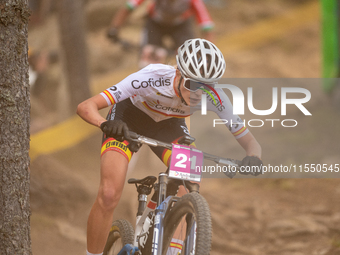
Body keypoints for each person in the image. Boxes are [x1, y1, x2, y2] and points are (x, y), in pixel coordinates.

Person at [77, 38, 262, 255]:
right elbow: (86, 106)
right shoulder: (151, 77)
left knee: (191, 174)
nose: (198, 93)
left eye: (205, 86)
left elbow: (250, 142)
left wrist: (254, 157)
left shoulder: (216, 96)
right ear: (177, 73)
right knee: (109, 194)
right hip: (128, 120)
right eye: (192, 84)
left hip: (169, 126)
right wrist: (106, 123)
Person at [107, 0, 215, 68]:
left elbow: (207, 27)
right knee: (148, 60)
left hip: (181, 26)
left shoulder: (194, 1)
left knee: (190, 59)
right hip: (155, 24)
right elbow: (128, 8)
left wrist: (206, 53)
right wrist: (114, 28)